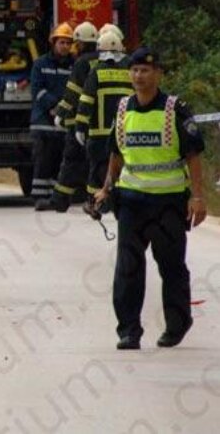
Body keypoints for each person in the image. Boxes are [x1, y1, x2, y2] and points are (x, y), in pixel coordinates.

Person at [93, 47, 206, 350]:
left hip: (168, 203)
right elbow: (116, 156)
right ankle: (129, 331)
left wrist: (197, 197)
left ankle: (177, 325)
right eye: (135, 70)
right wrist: (106, 188)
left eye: (145, 70)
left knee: (171, 266)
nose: (139, 76)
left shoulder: (174, 109)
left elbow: (193, 155)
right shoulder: (122, 110)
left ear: (158, 74)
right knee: (128, 268)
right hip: (131, 202)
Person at [36, 21, 100, 211]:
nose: (73, 47)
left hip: (78, 122)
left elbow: (72, 93)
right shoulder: (104, 62)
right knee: (95, 163)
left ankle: (59, 200)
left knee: (71, 161)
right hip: (100, 124)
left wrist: (60, 114)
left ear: (80, 43)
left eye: (74, 42)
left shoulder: (81, 63)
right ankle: (97, 200)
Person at [75, 31, 133, 213]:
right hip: (125, 131)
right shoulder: (130, 72)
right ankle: (119, 204)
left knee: (96, 170)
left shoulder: (97, 71)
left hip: (99, 133)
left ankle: (95, 204)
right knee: (122, 169)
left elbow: (86, 101)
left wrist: (80, 127)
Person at [28, 23, 74, 206]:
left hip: (64, 122)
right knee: (43, 160)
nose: (65, 47)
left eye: (68, 43)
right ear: (53, 43)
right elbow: (37, 91)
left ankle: (56, 197)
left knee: (60, 160)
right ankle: (40, 197)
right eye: (62, 42)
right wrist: (54, 105)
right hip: (43, 122)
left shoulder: (75, 65)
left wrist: (64, 109)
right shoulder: (40, 64)